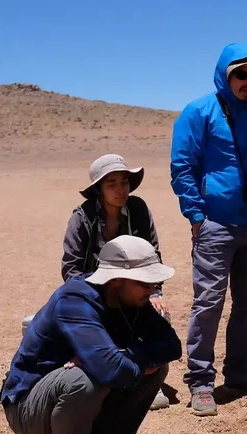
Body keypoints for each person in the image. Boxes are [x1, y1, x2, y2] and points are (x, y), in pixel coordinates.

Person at [0, 236, 182, 434]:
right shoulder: (74, 300)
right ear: (116, 280)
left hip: (63, 398)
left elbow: (171, 347)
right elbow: (111, 371)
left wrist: (123, 354)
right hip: (28, 410)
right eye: (144, 282)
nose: (152, 289)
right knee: (84, 380)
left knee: (154, 367)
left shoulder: (129, 300)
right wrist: (117, 362)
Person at [170, 43, 247, 416]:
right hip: (217, 225)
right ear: (225, 74)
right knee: (208, 303)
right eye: (241, 74)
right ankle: (201, 382)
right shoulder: (199, 112)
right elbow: (182, 166)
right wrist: (196, 216)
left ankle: (238, 373)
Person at [61, 153, 172, 410]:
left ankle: (148, 382)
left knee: (157, 317)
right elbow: (71, 268)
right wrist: (93, 298)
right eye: (112, 184)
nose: (121, 189)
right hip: (94, 291)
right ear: (99, 189)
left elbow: (152, 253)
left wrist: (155, 293)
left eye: (124, 182)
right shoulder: (83, 217)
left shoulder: (138, 210)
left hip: (133, 289)